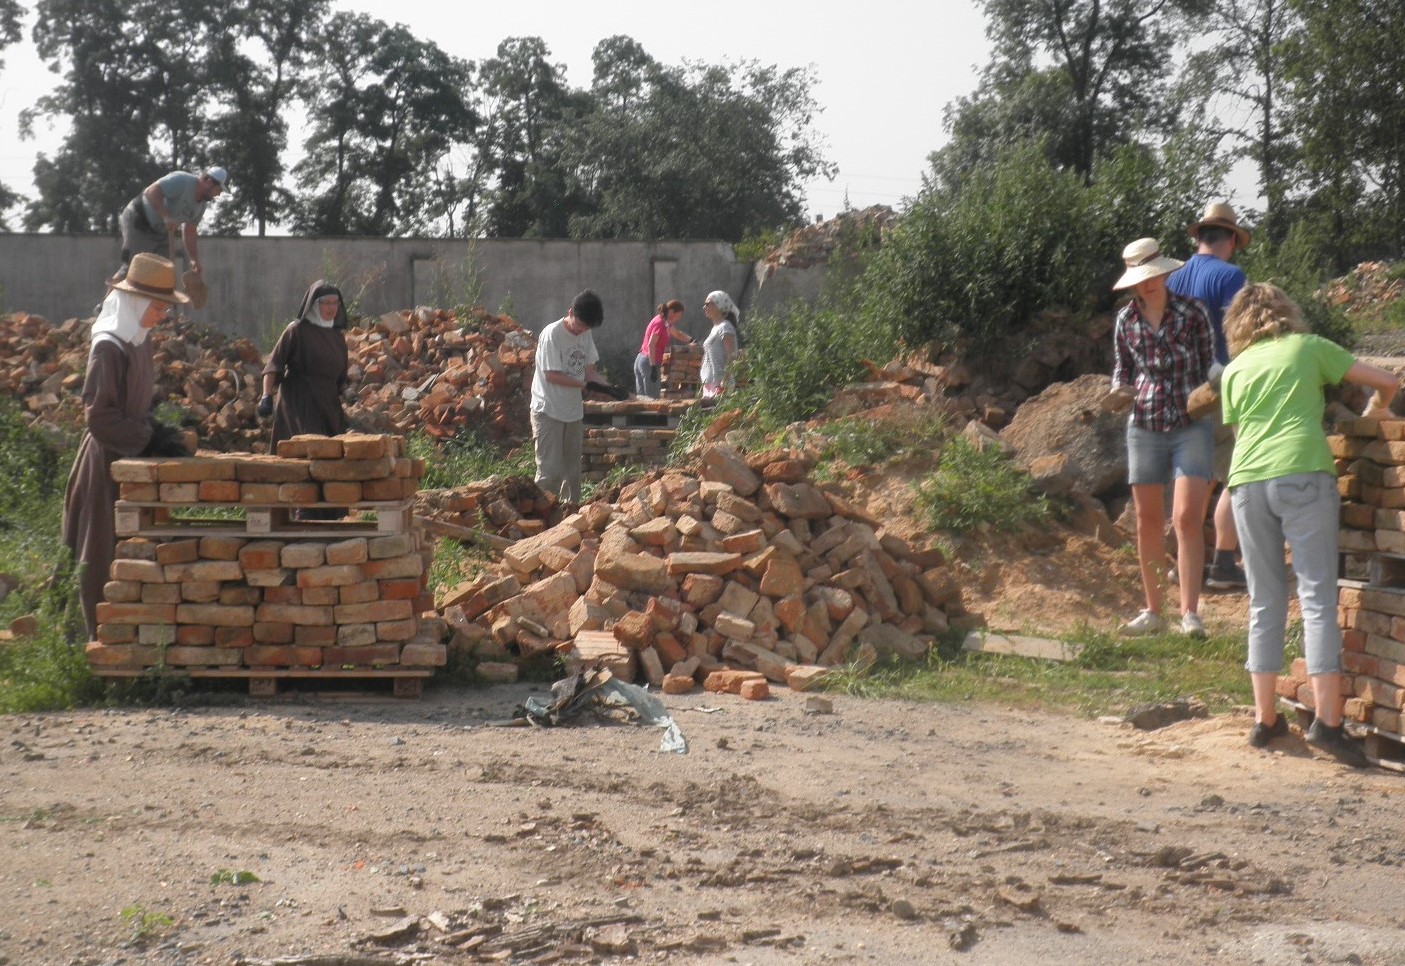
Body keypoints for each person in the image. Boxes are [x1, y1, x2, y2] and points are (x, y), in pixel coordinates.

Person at [1219, 283, 1398, 766]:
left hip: (1246, 482)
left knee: (1264, 601)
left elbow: (1240, 432)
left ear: (1236, 324)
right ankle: (1329, 723)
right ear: (1286, 312)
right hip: (1302, 473)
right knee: (1317, 598)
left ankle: (1265, 720)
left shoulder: (1234, 370)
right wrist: (1376, 410)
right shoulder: (1308, 347)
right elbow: (1387, 381)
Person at [63, 254, 190, 639]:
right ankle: (96, 638)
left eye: (165, 309)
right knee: (101, 547)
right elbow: (100, 417)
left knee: (133, 543)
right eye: (157, 307)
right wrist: (148, 438)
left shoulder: (138, 340)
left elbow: (134, 405)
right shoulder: (108, 346)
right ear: (135, 301)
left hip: (131, 454)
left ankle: (135, 637)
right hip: (106, 457)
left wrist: (157, 430)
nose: (162, 316)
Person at [1108, 237, 1215, 638]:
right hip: (1144, 422)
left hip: (1191, 421)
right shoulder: (1126, 320)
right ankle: (1154, 611)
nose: (1149, 283)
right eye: (1141, 278)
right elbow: (1123, 369)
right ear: (1133, 282)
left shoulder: (1193, 311)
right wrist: (1117, 391)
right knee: (1147, 520)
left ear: (1164, 273)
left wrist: (1220, 386)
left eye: (1153, 275)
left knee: (1186, 517)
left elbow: (1209, 364)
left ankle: (1190, 614)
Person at [1168, 201, 1252, 591]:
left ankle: (1185, 564)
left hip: (1180, 390)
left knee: (1195, 476)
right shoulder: (1231, 276)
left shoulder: (1171, 278)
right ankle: (1223, 564)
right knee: (1239, 474)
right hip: (1219, 389)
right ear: (1231, 239)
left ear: (1199, 237)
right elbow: (1240, 334)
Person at [530, 290, 606, 504]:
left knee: (572, 474)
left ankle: (570, 516)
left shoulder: (585, 333)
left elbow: (589, 372)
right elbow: (552, 375)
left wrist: (609, 388)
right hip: (548, 410)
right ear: (570, 312)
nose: (581, 330)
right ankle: (542, 516)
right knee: (550, 472)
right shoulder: (552, 334)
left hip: (572, 412)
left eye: (586, 328)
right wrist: (584, 385)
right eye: (579, 325)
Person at [259, 281, 350, 451]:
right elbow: (274, 363)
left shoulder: (338, 338)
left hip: (328, 404)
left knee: (331, 453)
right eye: (326, 303)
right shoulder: (297, 330)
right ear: (315, 304)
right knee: (304, 450)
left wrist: (347, 392)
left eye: (335, 303)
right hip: (299, 402)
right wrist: (266, 396)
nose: (332, 308)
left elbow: (340, 378)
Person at [116, 167, 227, 279]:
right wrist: (166, 216)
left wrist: (194, 259)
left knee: (164, 274)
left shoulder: (201, 206)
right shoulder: (182, 180)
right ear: (209, 182)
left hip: (161, 232)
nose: (218, 194)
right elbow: (151, 192)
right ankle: (113, 289)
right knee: (132, 270)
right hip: (139, 220)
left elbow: (190, 231)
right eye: (218, 190)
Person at [634, 299, 695, 398]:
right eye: (678, 316)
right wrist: (653, 367)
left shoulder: (665, 322)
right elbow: (651, 344)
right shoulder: (660, 323)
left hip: (642, 360)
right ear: (671, 312)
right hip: (649, 363)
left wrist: (692, 340)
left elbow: (677, 334)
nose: (678, 319)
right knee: (652, 400)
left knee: (643, 399)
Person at [700, 290, 739, 400]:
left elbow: (732, 356)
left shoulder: (725, 327)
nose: (704, 307)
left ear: (719, 305)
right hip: (710, 384)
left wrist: (724, 381)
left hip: (720, 384)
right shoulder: (715, 328)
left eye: (708, 304)